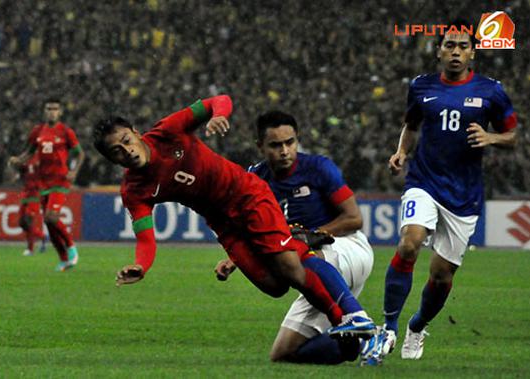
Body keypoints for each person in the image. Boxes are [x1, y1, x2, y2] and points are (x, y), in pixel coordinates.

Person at [92, 95, 376, 337]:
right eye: (116, 151)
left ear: (136, 132)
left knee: (291, 265)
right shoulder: (134, 190)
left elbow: (220, 100)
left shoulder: (168, 131)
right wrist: (141, 266)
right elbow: (145, 240)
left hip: (247, 195)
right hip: (224, 224)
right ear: (112, 160)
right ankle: (301, 246)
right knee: (274, 285)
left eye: (127, 140)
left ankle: (348, 319)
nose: (126, 151)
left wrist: (219, 115)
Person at [381, 23, 518, 360]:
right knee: (410, 242)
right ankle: (388, 328)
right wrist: (402, 152)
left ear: (473, 52)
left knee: (441, 277)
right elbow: (411, 126)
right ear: (439, 50)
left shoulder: (492, 91)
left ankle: (417, 325)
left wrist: (492, 138)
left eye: (462, 46)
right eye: (449, 45)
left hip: (464, 194)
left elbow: (512, 134)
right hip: (424, 181)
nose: (455, 52)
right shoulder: (420, 86)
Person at [214, 110, 376, 365]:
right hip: (308, 262)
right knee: (284, 353)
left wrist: (312, 236)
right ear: (260, 146)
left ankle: (359, 319)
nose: (285, 151)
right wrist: (234, 259)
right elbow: (251, 230)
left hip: (348, 249)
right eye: (275, 145)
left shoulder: (319, 168)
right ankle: (360, 344)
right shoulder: (256, 179)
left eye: (290, 142)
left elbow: (353, 219)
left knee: (297, 259)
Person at [9, 98, 85, 271]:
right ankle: (64, 259)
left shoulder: (66, 131)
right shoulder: (37, 132)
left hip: (60, 181)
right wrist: (17, 160)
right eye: (49, 109)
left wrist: (74, 172)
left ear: (60, 112)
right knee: (49, 224)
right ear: (45, 111)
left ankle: (72, 246)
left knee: (51, 217)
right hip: (44, 183)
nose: (52, 112)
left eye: (55, 109)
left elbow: (80, 154)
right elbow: (28, 153)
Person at [13, 154, 47, 257]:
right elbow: (22, 170)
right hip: (25, 193)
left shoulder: (41, 158)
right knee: (22, 223)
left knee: (28, 222)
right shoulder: (26, 157)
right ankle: (42, 237)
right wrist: (15, 163)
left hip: (35, 194)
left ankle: (30, 249)